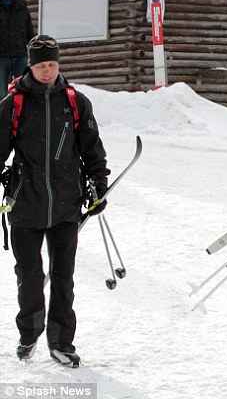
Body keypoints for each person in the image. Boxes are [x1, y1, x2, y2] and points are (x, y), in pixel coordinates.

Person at [0, 34, 110, 367]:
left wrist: (98, 184)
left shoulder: (75, 102)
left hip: (65, 205)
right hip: (25, 205)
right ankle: (29, 334)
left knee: (64, 278)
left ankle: (62, 342)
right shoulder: (13, 104)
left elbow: (92, 147)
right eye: (41, 65)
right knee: (30, 277)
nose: (47, 71)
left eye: (52, 64)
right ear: (30, 66)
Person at [0, 0, 35, 98]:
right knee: (2, 93)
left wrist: (34, 46)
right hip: (1, 57)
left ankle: (20, 116)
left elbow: (29, 30)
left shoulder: (22, 6)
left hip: (20, 55)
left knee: (22, 90)